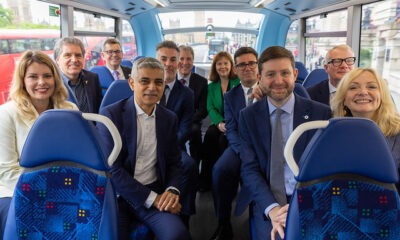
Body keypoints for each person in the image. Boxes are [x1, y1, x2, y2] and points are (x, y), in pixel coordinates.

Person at [239, 46, 331, 240]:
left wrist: (303, 203)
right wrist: (273, 210)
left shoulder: (320, 113)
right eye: (270, 74)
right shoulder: (248, 117)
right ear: (259, 77)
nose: (279, 81)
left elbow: (324, 169)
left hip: (309, 198)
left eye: (285, 73)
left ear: (295, 74)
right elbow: (249, 169)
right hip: (268, 199)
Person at [97, 57, 190, 240]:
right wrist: (152, 198)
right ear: (132, 83)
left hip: (156, 190)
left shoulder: (168, 118)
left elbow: (174, 162)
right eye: (145, 81)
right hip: (119, 196)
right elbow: (113, 170)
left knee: (176, 234)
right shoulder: (110, 115)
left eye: (158, 82)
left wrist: (172, 191)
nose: (152, 88)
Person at [0, 50, 77, 239]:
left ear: (55, 79)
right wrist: (45, 192)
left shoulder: (70, 110)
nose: (41, 82)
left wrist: (60, 190)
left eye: (47, 76)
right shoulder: (6, 114)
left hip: (64, 187)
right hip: (15, 190)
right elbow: (7, 170)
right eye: (33, 77)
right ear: (23, 81)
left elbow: (76, 159)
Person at [209, 47, 258, 240]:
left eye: (251, 63)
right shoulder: (230, 96)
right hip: (239, 146)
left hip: (266, 148)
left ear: (258, 66)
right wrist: (243, 152)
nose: (247, 68)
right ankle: (223, 223)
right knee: (219, 171)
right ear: (235, 70)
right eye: (241, 65)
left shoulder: (270, 89)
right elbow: (231, 127)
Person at [331, 67, 400, 191]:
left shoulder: (398, 132)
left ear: (382, 95)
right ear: (344, 99)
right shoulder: (332, 135)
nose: (363, 92)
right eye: (353, 87)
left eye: (372, 87)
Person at [156, 40, 197, 228]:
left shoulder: (186, 93)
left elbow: (185, 128)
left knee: (189, 166)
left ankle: (184, 213)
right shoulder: (147, 88)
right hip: (146, 146)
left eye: (173, 59)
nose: (168, 64)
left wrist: (165, 148)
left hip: (174, 147)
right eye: (163, 59)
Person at [200, 51, 240, 192]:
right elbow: (210, 107)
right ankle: (206, 179)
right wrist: (219, 123)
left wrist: (229, 124)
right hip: (219, 122)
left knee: (224, 142)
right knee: (210, 136)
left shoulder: (238, 82)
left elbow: (239, 106)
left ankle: (226, 181)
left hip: (235, 123)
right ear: (215, 67)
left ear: (231, 65)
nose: (222, 66)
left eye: (225, 63)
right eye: (219, 64)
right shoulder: (211, 87)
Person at [54, 37, 102, 113]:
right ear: (57, 60)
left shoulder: (92, 78)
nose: (74, 60)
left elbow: (99, 110)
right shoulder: (52, 82)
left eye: (78, 55)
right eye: (68, 55)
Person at [178, 45, 208, 167]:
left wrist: (187, 120)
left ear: (193, 61)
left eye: (189, 59)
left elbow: (203, 110)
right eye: (181, 58)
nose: (185, 63)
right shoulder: (168, 79)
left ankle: (195, 165)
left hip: (192, 120)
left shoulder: (201, 81)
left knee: (195, 131)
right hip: (173, 119)